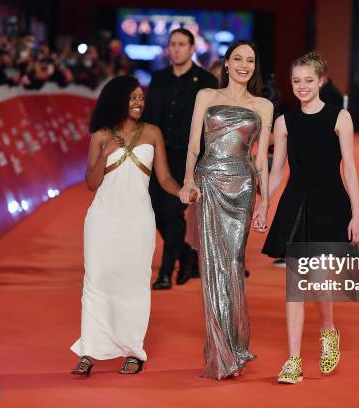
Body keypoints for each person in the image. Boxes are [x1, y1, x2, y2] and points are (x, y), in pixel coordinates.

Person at [261, 52, 359, 384]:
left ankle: (328, 330)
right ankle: (293, 360)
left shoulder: (340, 117)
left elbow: (349, 169)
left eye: (308, 80)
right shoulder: (284, 122)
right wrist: (263, 203)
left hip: (330, 203)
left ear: (320, 80)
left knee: (318, 283)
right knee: (295, 284)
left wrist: (358, 214)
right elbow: (277, 173)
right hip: (295, 205)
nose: (301, 86)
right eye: (296, 81)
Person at [70, 76, 181, 377]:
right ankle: (89, 351)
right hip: (102, 220)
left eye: (141, 98)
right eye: (133, 98)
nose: (138, 103)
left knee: (134, 284)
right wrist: (105, 154)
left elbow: (165, 179)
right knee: (95, 284)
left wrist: (183, 191)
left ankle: (133, 350)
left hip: (138, 220)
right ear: (117, 99)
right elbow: (91, 184)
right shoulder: (101, 134)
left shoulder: (153, 133)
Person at [179, 40, 273, 380]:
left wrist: (265, 200)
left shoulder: (263, 105)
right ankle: (220, 352)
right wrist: (188, 180)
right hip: (207, 185)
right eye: (238, 59)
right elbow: (194, 144)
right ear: (227, 63)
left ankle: (234, 345)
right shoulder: (206, 96)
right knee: (211, 265)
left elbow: (260, 158)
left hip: (243, 187)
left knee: (233, 263)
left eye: (250, 59)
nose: (244, 65)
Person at [143, 28, 218, 290]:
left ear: (192, 48)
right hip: (158, 156)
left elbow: (212, 123)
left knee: (172, 211)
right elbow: (149, 115)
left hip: (189, 158)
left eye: (181, 44)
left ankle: (165, 273)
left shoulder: (206, 80)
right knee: (153, 210)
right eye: (172, 44)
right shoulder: (158, 79)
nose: (176, 49)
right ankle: (185, 251)